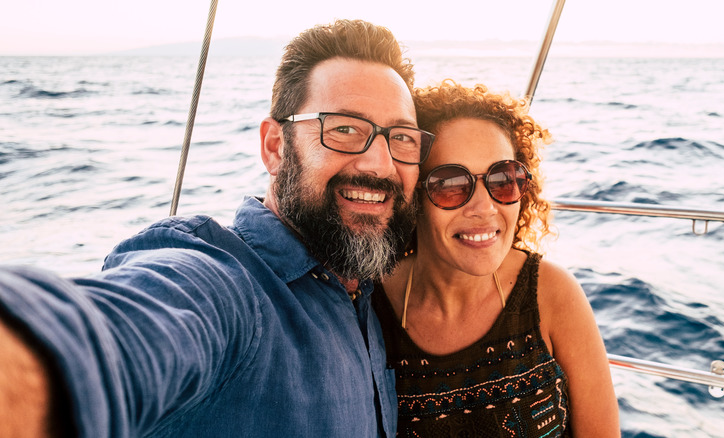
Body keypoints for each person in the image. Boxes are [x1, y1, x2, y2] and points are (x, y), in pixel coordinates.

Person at [0, 19, 436, 437]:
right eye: (343, 129)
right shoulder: (228, 285)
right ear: (275, 147)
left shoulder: (367, 290)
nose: (381, 165)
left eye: (402, 138)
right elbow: (118, 335)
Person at [373, 80, 620, 437]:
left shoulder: (552, 294)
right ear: (412, 196)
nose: (485, 207)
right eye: (450, 184)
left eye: (503, 179)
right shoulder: (371, 306)